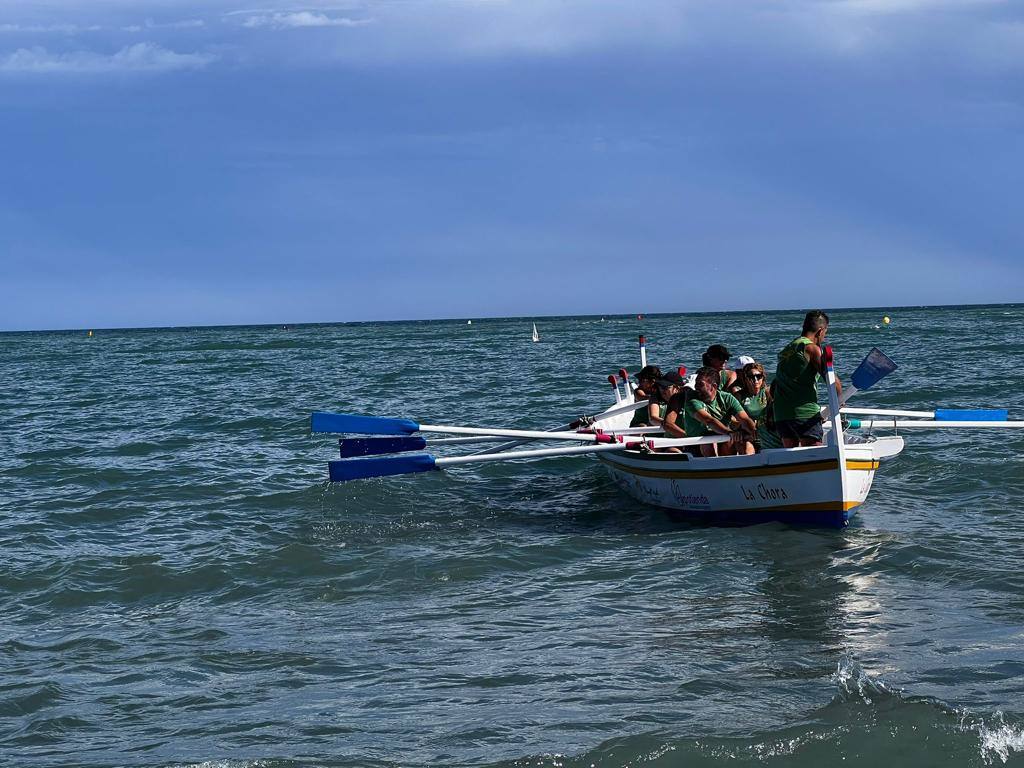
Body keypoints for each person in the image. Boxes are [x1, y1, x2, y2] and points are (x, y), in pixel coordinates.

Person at [772, 310, 842, 448]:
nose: (824, 337)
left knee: (793, 460)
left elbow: (774, 386)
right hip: (805, 414)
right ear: (820, 331)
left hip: (781, 415)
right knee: (814, 454)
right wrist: (840, 398)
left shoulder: (786, 350)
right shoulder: (811, 349)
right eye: (825, 333)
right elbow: (830, 379)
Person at [683, 367, 757, 456]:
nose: (696, 387)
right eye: (696, 383)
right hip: (697, 443)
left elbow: (744, 419)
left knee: (739, 442)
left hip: (723, 440)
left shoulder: (727, 398)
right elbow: (708, 420)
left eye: (700, 384)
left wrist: (753, 432)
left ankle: (745, 463)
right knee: (708, 444)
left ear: (714, 386)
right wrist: (729, 432)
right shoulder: (692, 398)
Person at [733, 361, 783, 451]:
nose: (756, 380)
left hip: (765, 433)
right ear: (745, 378)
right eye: (751, 377)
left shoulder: (767, 392)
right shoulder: (738, 396)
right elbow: (731, 418)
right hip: (747, 434)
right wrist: (741, 426)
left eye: (758, 376)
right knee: (746, 448)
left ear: (763, 377)